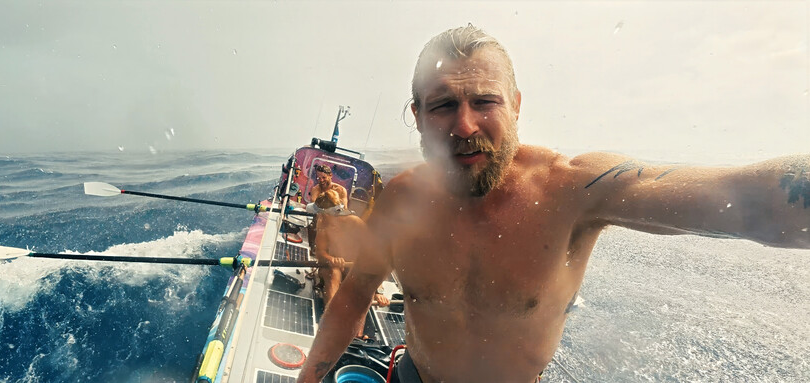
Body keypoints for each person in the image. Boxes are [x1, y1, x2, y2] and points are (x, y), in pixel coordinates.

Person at [297, 25, 809, 383]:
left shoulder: (574, 192)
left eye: (485, 101)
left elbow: (744, 199)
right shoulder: (402, 200)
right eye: (443, 105)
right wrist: (309, 380)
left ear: (516, 105)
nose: (465, 125)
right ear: (417, 114)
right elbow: (353, 295)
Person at [312, 188, 389, 338]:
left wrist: (377, 290)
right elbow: (320, 253)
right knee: (333, 273)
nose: (320, 215)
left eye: (322, 212)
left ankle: (356, 334)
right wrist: (331, 259)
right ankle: (331, 321)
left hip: (356, 267)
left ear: (330, 213)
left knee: (364, 284)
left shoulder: (355, 223)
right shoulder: (324, 226)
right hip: (333, 267)